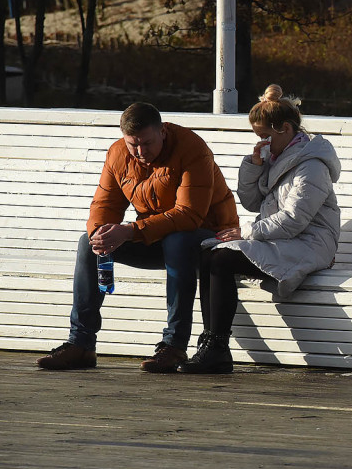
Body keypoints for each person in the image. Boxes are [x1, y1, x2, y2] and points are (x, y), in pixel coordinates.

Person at [37, 102, 239, 372]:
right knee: (88, 243)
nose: (141, 152)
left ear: (162, 132)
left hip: (209, 237)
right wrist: (100, 232)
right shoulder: (118, 153)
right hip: (155, 234)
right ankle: (81, 344)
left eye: (147, 143)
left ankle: (174, 346)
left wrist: (130, 230)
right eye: (134, 145)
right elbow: (105, 204)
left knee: (177, 240)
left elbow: (189, 215)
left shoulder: (191, 148)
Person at [180, 85, 342, 374]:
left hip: (310, 242)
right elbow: (252, 202)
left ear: (286, 129)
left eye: (265, 136)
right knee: (208, 255)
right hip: (279, 237)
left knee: (222, 258)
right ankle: (211, 344)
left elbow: (294, 220)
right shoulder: (277, 157)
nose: (262, 143)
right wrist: (254, 166)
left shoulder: (311, 166)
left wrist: (246, 233)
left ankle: (216, 347)